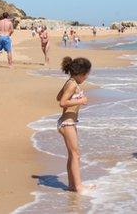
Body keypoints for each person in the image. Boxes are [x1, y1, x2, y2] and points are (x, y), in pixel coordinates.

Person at [56, 56, 93, 193]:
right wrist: (80, 100)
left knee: (72, 154)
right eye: (86, 74)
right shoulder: (72, 84)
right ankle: (78, 186)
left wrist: (74, 98)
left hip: (69, 122)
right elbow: (62, 102)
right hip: (67, 123)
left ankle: (72, 185)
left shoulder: (70, 82)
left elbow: (59, 96)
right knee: (75, 154)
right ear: (80, 73)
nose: (86, 77)